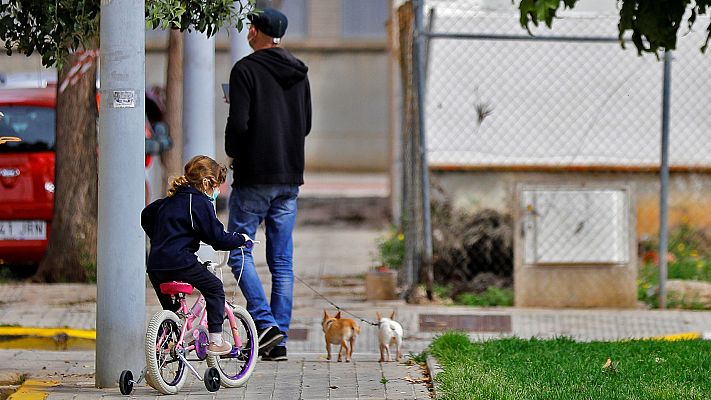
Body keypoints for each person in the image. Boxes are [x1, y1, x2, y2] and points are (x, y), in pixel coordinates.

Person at [224, 7, 312, 362]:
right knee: (282, 261)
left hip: (254, 177)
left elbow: (239, 125)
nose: (247, 31)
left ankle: (265, 324)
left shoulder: (245, 70)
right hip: (290, 177)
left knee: (238, 252)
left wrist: (233, 150)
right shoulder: (299, 72)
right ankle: (279, 339)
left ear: (257, 32)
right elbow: (304, 125)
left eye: (250, 26)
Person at [141, 155, 253, 356]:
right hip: (180, 262)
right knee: (215, 288)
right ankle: (216, 341)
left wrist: (161, 237)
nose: (217, 191)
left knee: (174, 312)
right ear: (206, 183)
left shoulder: (169, 201)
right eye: (216, 185)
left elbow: (146, 215)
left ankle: (168, 345)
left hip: (156, 265)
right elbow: (217, 237)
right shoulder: (199, 202)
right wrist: (241, 239)